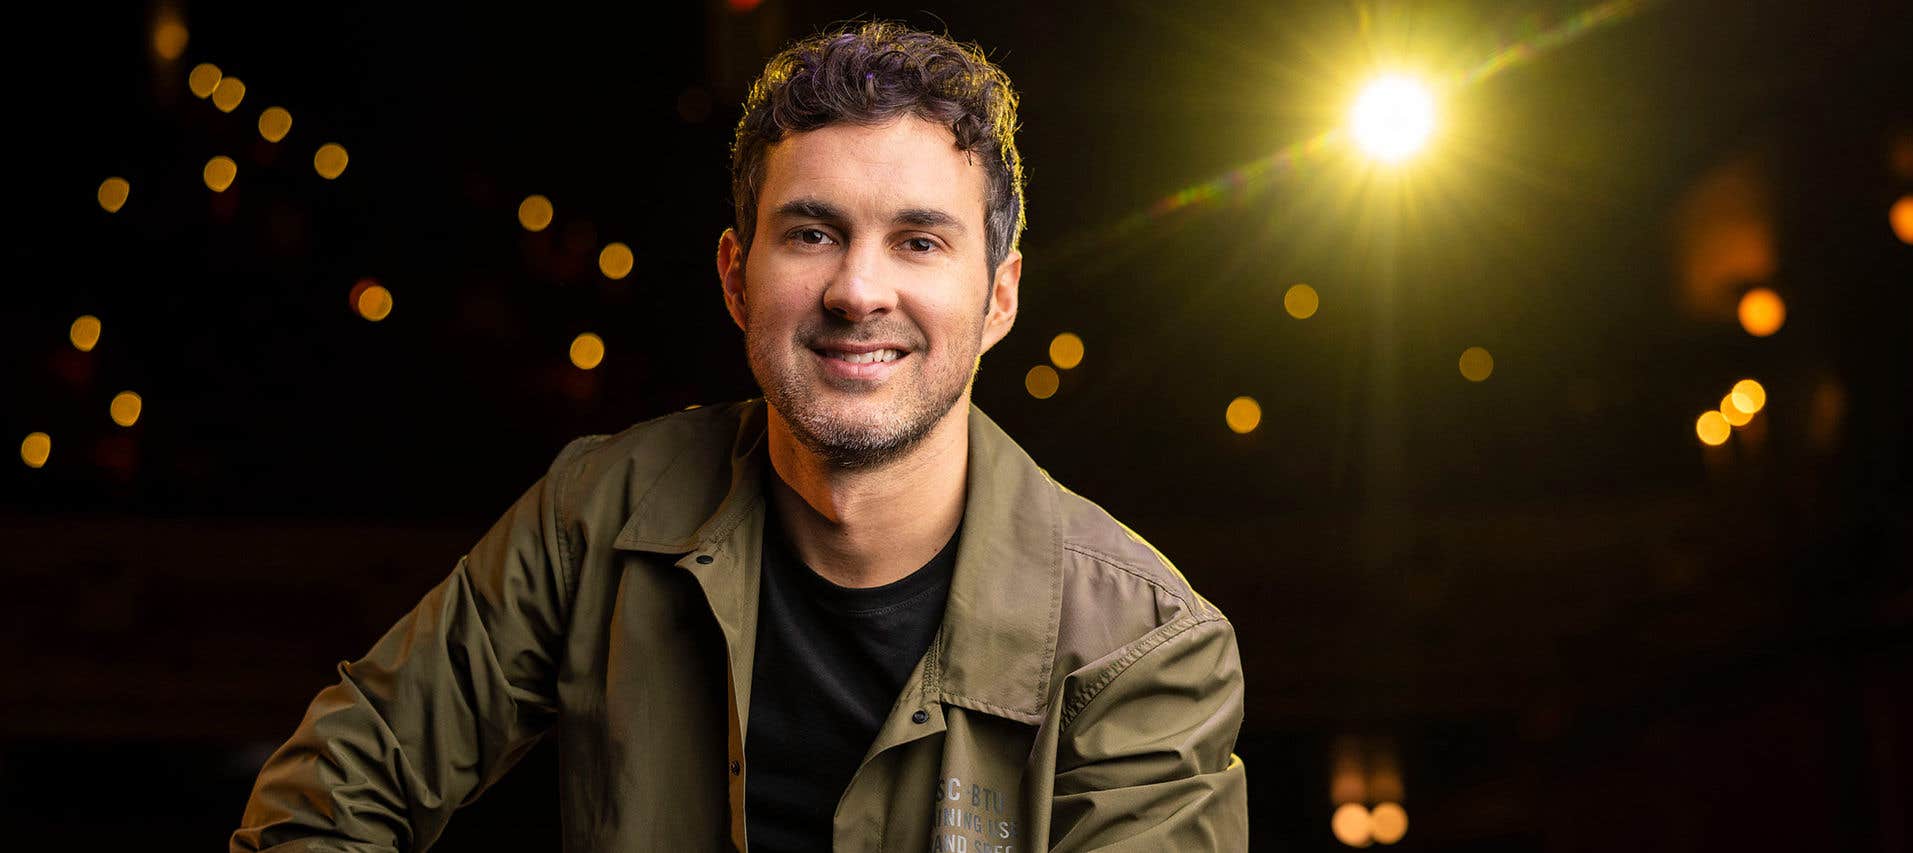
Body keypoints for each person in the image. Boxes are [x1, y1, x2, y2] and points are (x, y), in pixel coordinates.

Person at [231, 21, 1246, 852]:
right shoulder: (598, 513)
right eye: (811, 233)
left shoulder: (1143, 649)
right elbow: (324, 798)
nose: (857, 289)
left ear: (999, 297)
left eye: (919, 240)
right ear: (732, 276)